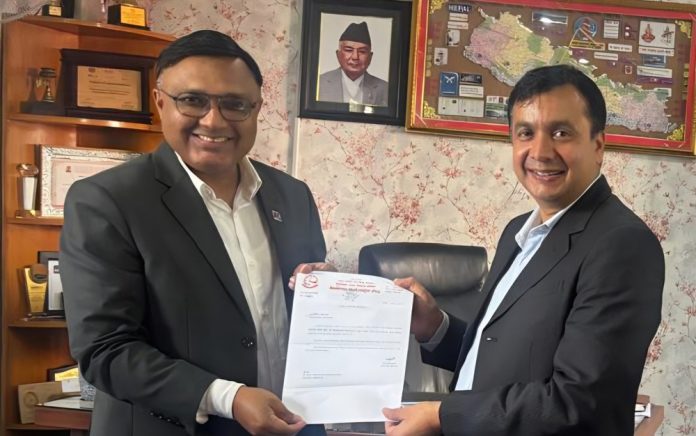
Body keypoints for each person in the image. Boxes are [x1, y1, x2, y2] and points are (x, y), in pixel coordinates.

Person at [60, 30, 330, 436]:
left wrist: (328, 295)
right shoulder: (107, 200)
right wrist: (229, 398)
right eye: (193, 100)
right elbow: (105, 350)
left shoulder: (292, 196)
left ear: (256, 108)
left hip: (293, 426)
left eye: (234, 104)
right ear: (160, 102)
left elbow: (302, 310)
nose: (213, 120)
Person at [381, 65, 665, 435]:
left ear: (598, 146)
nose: (540, 152)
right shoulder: (517, 231)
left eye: (561, 133)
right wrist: (435, 327)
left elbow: (579, 403)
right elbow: (501, 356)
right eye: (526, 133)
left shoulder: (622, 245)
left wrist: (441, 415)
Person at [318, 21, 388, 106]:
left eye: (362, 51)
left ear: (370, 57)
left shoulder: (385, 89)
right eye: (349, 50)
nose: (355, 57)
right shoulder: (319, 84)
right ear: (338, 54)